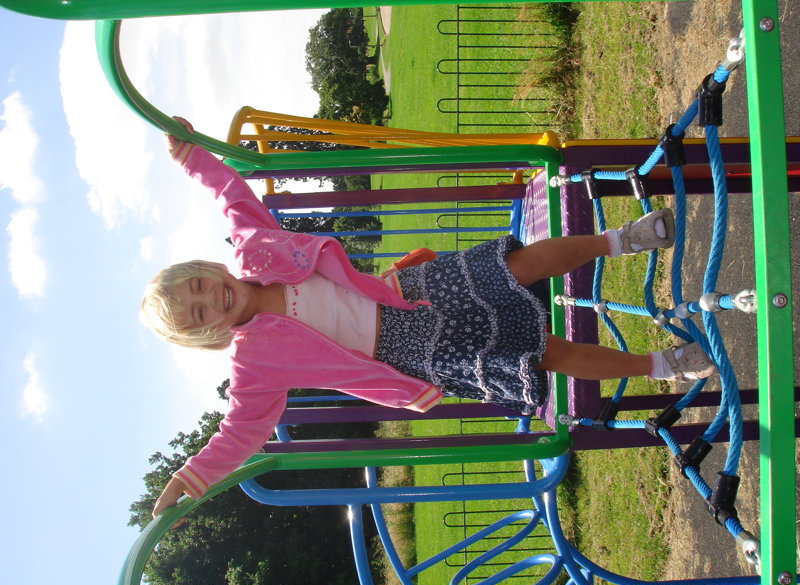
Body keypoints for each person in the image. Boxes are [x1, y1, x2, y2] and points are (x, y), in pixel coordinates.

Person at [142, 117, 715, 519]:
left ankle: (622, 239)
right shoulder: (254, 364)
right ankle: (661, 364)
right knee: (541, 354)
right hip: (408, 350)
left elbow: (230, 192)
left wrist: (191, 156)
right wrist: (190, 477)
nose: (210, 299)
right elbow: (240, 429)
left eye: (199, 286)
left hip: (404, 293)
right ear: (207, 335)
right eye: (199, 313)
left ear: (207, 268)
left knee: (514, 266)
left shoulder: (254, 248)